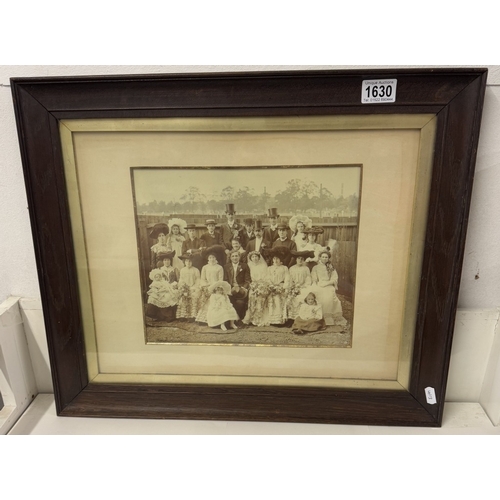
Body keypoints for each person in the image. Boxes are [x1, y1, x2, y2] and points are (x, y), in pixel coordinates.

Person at [310, 251, 347, 326]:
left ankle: (328, 316)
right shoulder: (316, 267)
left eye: (326, 257)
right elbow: (314, 278)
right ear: (320, 257)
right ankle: (318, 315)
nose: (324, 258)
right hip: (319, 284)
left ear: (328, 258)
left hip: (328, 285)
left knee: (329, 294)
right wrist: (316, 284)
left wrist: (327, 283)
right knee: (317, 292)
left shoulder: (331, 267)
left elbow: (334, 278)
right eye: (323, 257)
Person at [195, 245, 225, 324]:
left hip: (216, 288)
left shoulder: (219, 267)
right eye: (210, 257)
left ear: (216, 258)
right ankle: (204, 319)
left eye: (213, 257)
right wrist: (206, 287)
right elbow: (202, 279)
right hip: (207, 287)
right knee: (204, 299)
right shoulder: (205, 267)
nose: (212, 259)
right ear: (208, 258)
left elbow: (220, 280)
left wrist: (215, 287)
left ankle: (216, 319)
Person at [243, 251, 270, 327]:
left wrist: (261, 285)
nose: (254, 258)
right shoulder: (249, 266)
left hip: (262, 284)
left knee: (260, 298)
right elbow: (248, 277)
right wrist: (253, 285)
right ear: (250, 258)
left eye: (256, 257)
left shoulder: (263, 266)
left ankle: (259, 318)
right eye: (253, 257)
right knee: (252, 297)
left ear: (259, 257)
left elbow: (266, 277)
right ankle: (252, 317)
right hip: (253, 285)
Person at [223, 249, 251, 321]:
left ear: (239, 257)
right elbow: (225, 280)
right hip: (230, 289)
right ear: (230, 257)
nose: (235, 258)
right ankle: (230, 319)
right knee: (228, 302)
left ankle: (239, 319)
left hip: (241, 289)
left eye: (236, 256)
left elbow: (247, 280)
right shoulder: (226, 267)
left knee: (240, 303)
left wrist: (243, 288)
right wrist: (229, 288)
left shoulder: (244, 266)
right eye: (233, 256)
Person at [265, 247, 290, 325]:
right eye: (274, 259)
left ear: (280, 260)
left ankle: (280, 320)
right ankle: (272, 320)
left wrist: (284, 287)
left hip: (281, 287)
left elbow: (287, 278)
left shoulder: (284, 268)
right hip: (272, 288)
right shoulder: (269, 268)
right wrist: (271, 286)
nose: (275, 261)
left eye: (277, 259)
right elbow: (267, 278)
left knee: (280, 299)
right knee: (272, 300)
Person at [287, 250, 314, 320]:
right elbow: (289, 279)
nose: (300, 260)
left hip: (303, 287)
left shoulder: (306, 268)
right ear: (296, 259)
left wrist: (303, 286)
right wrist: (293, 286)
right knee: (291, 296)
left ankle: (302, 317)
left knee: (303, 296)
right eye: (298, 258)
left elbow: (308, 279)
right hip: (293, 287)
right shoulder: (292, 268)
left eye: (302, 259)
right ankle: (291, 317)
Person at [176, 254, 201, 319]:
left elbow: (198, 280)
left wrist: (194, 287)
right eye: (187, 261)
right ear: (184, 262)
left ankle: (192, 316)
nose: (188, 263)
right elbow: (181, 280)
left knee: (193, 297)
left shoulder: (196, 270)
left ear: (192, 262)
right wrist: (183, 288)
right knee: (183, 297)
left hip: (193, 287)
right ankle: (183, 315)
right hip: (185, 287)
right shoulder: (182, 270)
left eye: (190, 261)